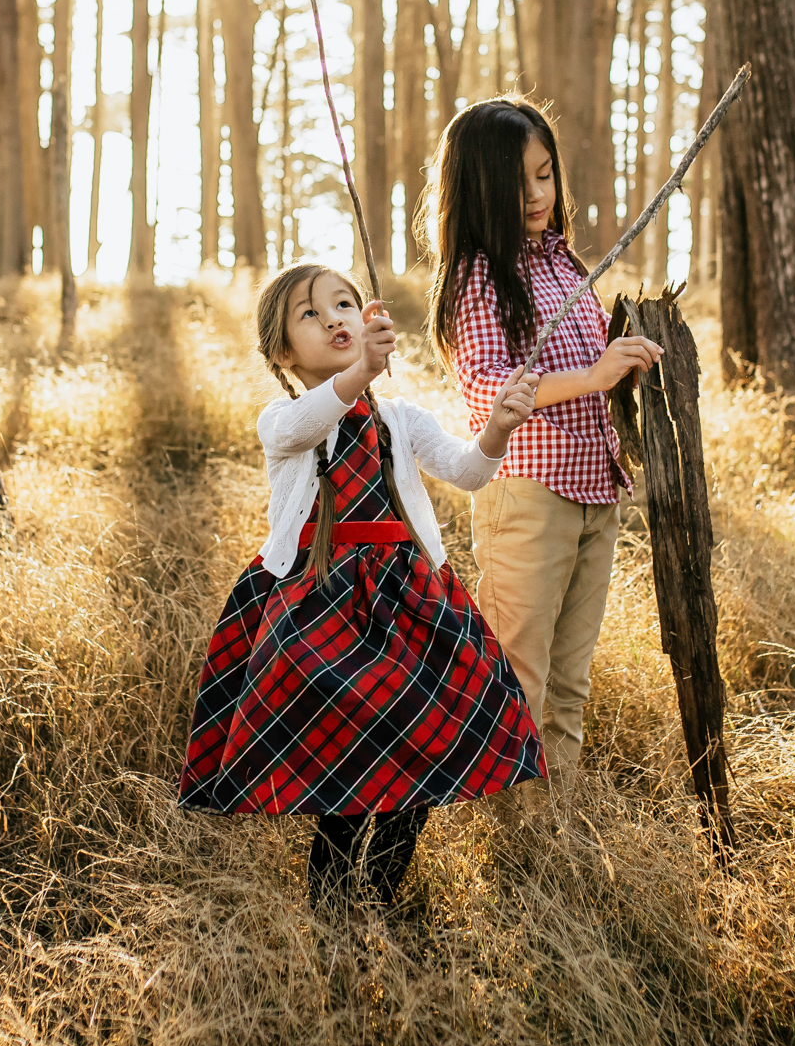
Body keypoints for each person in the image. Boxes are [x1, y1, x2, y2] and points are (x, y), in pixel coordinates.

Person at [178, 261, 547, 913]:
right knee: (347, 777)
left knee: (426, 749)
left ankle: (377, 895)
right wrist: (360, 375)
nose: (333, 319)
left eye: (343, 304)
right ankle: (333, 923)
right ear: (282, 351)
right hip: (324, 609)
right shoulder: (285, 419)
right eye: (310, 314)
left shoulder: (400, 418)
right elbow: (306, 425)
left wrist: (498, 427)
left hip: (409, 601)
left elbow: (466, 471)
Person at [424, 98, 662, 811]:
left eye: (545, 175)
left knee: (569, 682)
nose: (536, 195)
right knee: (518, 675)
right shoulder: (476, 277)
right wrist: (592, 374)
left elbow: (596, 372)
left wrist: (630, 358)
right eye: (517, 181)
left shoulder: (567, 268)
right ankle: (512, 838)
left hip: (595, 490)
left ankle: (552, 833)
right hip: (529, 494)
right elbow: (490, 387)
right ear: (478, 188)